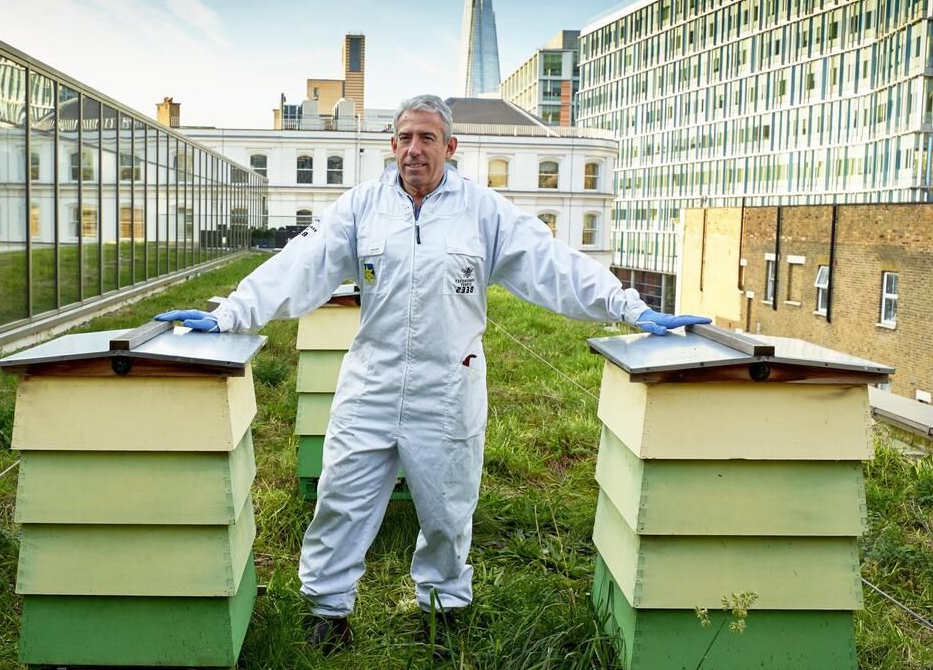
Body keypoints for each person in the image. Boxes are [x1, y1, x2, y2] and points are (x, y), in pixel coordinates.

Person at [156, 94, 709, 652]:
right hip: (371, 381)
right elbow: (301, 264)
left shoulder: (482, 212)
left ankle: (442, 609)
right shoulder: (362, 208)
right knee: (341, 500)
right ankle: (328, 610)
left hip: (449, 385)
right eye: (404, 139)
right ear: (390, 146)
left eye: (427, 138)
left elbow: (552, 264)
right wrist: (230, 312)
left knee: (447, 511)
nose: (414, 150)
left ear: (450, 146)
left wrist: (629, 307)